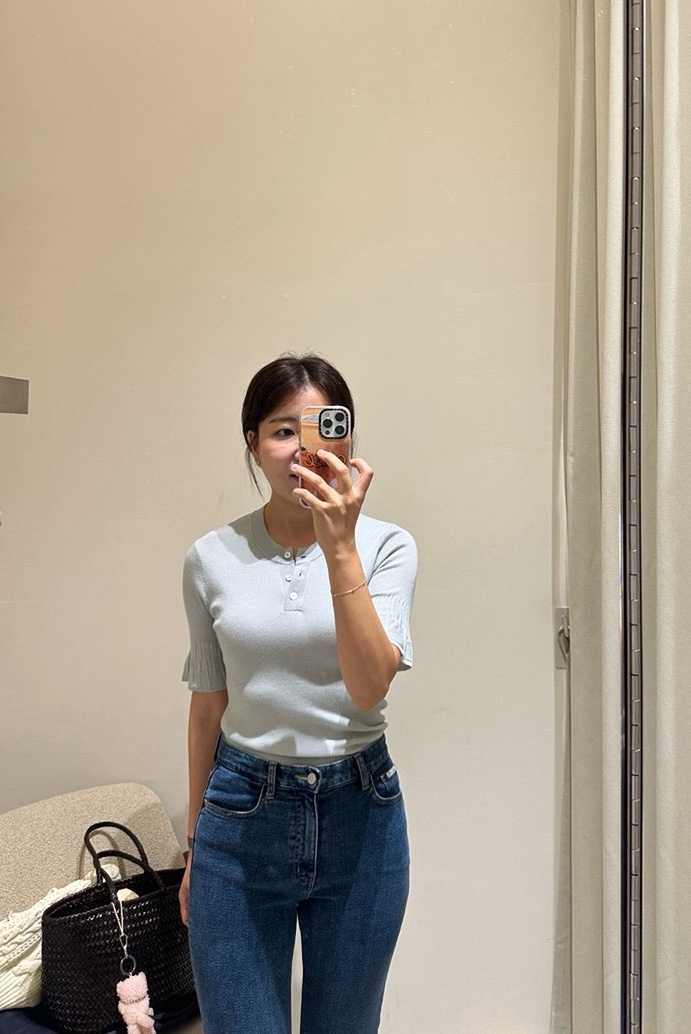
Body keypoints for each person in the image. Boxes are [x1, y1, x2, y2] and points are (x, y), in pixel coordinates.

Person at [179, 354, 417, 1034]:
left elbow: (368, 687)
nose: (303, 449)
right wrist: (195, 845)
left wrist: (339, 543)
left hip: (360, 814)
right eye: (283, 431)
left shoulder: (386, 546)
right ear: (252, 443)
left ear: (347, 437)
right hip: (239, 816)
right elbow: (208, 707)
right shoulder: (210, 557)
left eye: (323, 427)